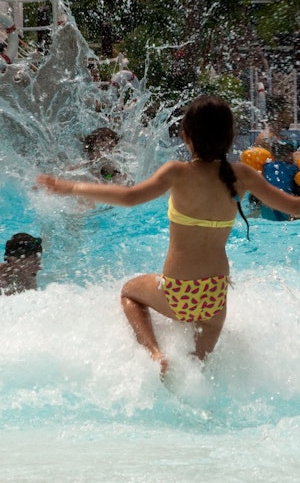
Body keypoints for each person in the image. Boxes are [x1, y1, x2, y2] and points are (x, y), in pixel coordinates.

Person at [37, 95, 300, 376]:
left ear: (186, 136)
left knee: (130, 293)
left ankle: (156, 354)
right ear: (230, 137)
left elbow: (128, 197)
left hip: (178, 293)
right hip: (215, 298)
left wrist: (72, 188)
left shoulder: (177, 172)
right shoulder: (243, 175)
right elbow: (295, 206)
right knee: (195, 373)